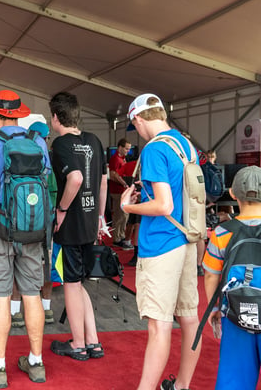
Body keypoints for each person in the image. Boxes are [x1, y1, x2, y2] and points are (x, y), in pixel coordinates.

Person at [120, 93, 201, 390]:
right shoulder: (185, 144)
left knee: (159, 325)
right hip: (187, 239)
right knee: (190, 318)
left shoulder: (154, 149)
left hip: (162, 244)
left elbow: (164, 206)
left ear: (138, 119)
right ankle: (181, 385)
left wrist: (129, 208)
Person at [0, 90, 49, 387]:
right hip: (33, 230)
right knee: (32, 295)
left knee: (2, 297)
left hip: (0, 229)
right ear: (19, 114)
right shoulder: (38, 142)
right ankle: (36, 363)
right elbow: (44, 183)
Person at [47, 91, 107, 361]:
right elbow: (102, 182)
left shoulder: (60, 144)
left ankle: (79, 344)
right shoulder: (94, 140)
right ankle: (93, 341)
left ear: (56, 117)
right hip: (91, 220)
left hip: (70, 224)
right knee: (79, 281)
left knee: (71, 283)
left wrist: (61, 210)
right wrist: (100, 217)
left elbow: (75, 178)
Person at [203, 165, 261, 390]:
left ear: (233, 194)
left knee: (234, 380)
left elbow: (210, 276)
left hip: (236, 313)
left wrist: (214, 309)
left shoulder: (222, 232)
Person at [10, 120, 56, 327]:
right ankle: (46, 310)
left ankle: (15, 312)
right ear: (45, 139)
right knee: (46, 265)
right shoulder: (49, 168)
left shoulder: (14, 162)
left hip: (19, 222)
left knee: (16, 265)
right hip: (46, 223)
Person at [109, 138, 134, 250]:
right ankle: (117, 238)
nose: (128, 151)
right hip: (117, 191)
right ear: (120, 147)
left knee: (124, 215)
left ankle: (120, 236)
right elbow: (113, 174)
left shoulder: (122, 159)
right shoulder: (115, 159)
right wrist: (124, 183)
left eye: (129, 149)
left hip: (122, 190)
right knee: (120, 215)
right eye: (126, 148)